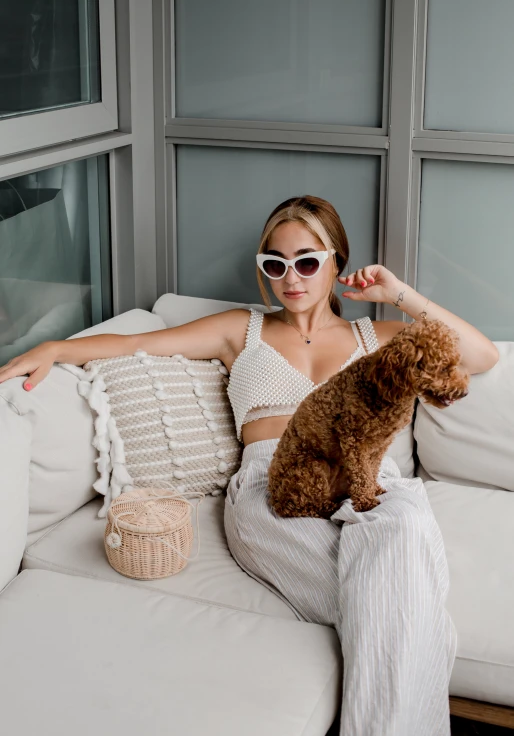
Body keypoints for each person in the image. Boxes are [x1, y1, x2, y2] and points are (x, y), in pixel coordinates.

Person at [0, 195, 498, 735]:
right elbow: (141, 341)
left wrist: (397, 294)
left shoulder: (378, 339)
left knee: (400, 534)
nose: (291, 278)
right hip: (273, 486)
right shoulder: (243, 330)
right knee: (402, 596)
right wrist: (54, 346)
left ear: (337, 260)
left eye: (307, 260)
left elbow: (480, 356)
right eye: (275, 263)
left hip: (369, 480)